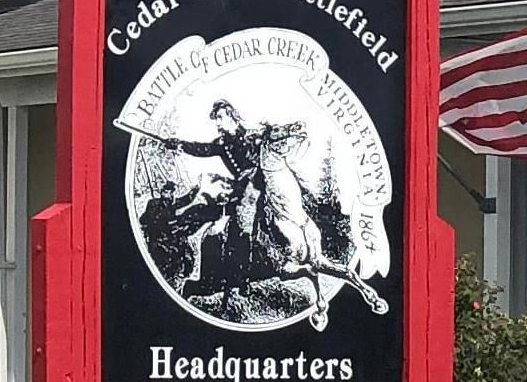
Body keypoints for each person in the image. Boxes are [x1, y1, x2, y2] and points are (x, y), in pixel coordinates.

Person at [123, 96, 387, 329]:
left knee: (300, 199)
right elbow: (200, 149)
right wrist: (177, 144)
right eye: (216, 121)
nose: (219, 124)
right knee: (243, 223)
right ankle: (241, 276)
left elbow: (274, 142)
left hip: (265, 184)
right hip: (246, 191)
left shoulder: (252, 137)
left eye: (221, 119)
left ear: (232, 116)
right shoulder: (221, 144)